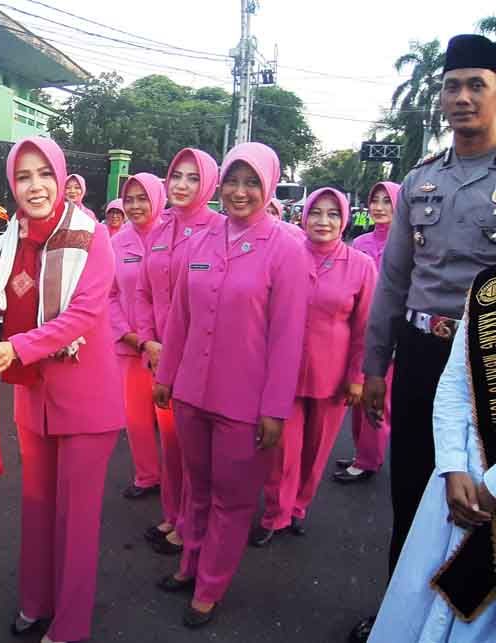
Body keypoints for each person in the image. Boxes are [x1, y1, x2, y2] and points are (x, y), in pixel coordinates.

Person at [0, 136, 124, 643]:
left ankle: (69, 627)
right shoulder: (7, 241)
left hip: (86, 399)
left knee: (76, 520)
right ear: (12, 184)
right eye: (23, 176)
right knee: (37, 507)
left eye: (44, 174)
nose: (35, 186)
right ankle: (35, 601)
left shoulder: (93, 235)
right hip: (34, 397)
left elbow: (84, 314)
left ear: (62, 178)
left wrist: (18, 347)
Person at [351, 34, 496, 643]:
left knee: (479, 503)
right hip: (420, 354)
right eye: (451, 86)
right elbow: (393, 281)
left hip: (487, 363)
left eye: (476, 86)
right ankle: (400, 617)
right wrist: (374, 367)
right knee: (411, 497)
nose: (461, 98)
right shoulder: (420, 181)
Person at [153, 142, 310, 628]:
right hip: (191, 393)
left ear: (268, 186)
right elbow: (180, 314)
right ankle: (189, 564)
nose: (240, 192)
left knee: (231, 497)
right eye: (233, 180)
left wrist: (275, 409)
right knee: (196, 488)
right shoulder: (202, 238)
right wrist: (166, 376)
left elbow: (288, 337)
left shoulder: (285, 246)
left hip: (245, 403)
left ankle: (211, 586)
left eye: (252, 182)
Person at [369, 270, 496, 641]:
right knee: (419, 608)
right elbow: (457, 379)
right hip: (459, 484)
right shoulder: (487, 289)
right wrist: (452, 464)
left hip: (486, 490)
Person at [253, 188, 377, 546]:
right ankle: (275, 513)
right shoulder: (285, 255)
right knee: (280, 450)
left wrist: (357, 377)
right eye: (316, 213)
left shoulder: (361, 266)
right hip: (283, 374)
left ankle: (298, 508)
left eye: (333, 214)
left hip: (333, 375)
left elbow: (365, 327)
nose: (324, 221)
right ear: (303, 216)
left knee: (317, 448)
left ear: (345, 220)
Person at [134, 148, 223, 556]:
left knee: (194, 450)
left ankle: (191, 523)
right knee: (171, 443)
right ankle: (173, 513)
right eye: (176, 176)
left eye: (192, 177)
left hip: (199, 358)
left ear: (208, 183)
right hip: (158, 356)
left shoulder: (220, 229)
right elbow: (143, 291)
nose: (182, 185)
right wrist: (148, 338)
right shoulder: (160, 226)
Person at [335, 181, 401, 484]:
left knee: (377, 399)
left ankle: (369, 459)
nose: (379, 207)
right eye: (375, 201)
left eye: (386, 202)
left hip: (387, 333)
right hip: (359, 330)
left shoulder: (405, 244)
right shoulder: (360, 243)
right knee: (358, 395)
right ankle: (362, 452)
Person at [109, 173, 166, 501]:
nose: (134, 206)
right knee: (137, 419)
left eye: (142, 198)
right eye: (129, 199)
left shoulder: (175, 236)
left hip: (168, 349)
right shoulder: (116, 243)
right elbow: (109, 295)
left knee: (170, 424)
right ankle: (147, 476)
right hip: (130, 346)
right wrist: (130, 336)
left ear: (157, 198)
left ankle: (176, 483)